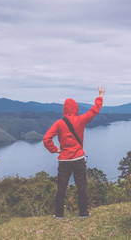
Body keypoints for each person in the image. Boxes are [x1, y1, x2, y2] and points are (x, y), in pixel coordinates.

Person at [43, 85, 105, 218]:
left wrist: (55, 150)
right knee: (81, 186)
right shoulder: (80, 120)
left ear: (64, 110)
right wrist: (100, 96)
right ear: (76, 108)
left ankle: (59, 214)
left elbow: (46, 139)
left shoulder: (59, 123)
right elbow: (93, 111)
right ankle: (83, 213)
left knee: (61, 187)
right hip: (78, 159)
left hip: (64, 160)